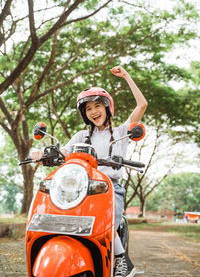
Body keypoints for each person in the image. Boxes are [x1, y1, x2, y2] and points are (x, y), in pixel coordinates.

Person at [32, 65, 147, 277]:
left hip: (109, 188)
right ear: (85, 114)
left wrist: (127, 76)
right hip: (81, 187)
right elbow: (63, 152)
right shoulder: (81, 136)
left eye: (97, 106)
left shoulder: (122, 132)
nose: (93, 111)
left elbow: (142, 104)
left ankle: (122, 260)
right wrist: (42, 154)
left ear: (107, 107)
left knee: (107, 221)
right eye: (88, 109)